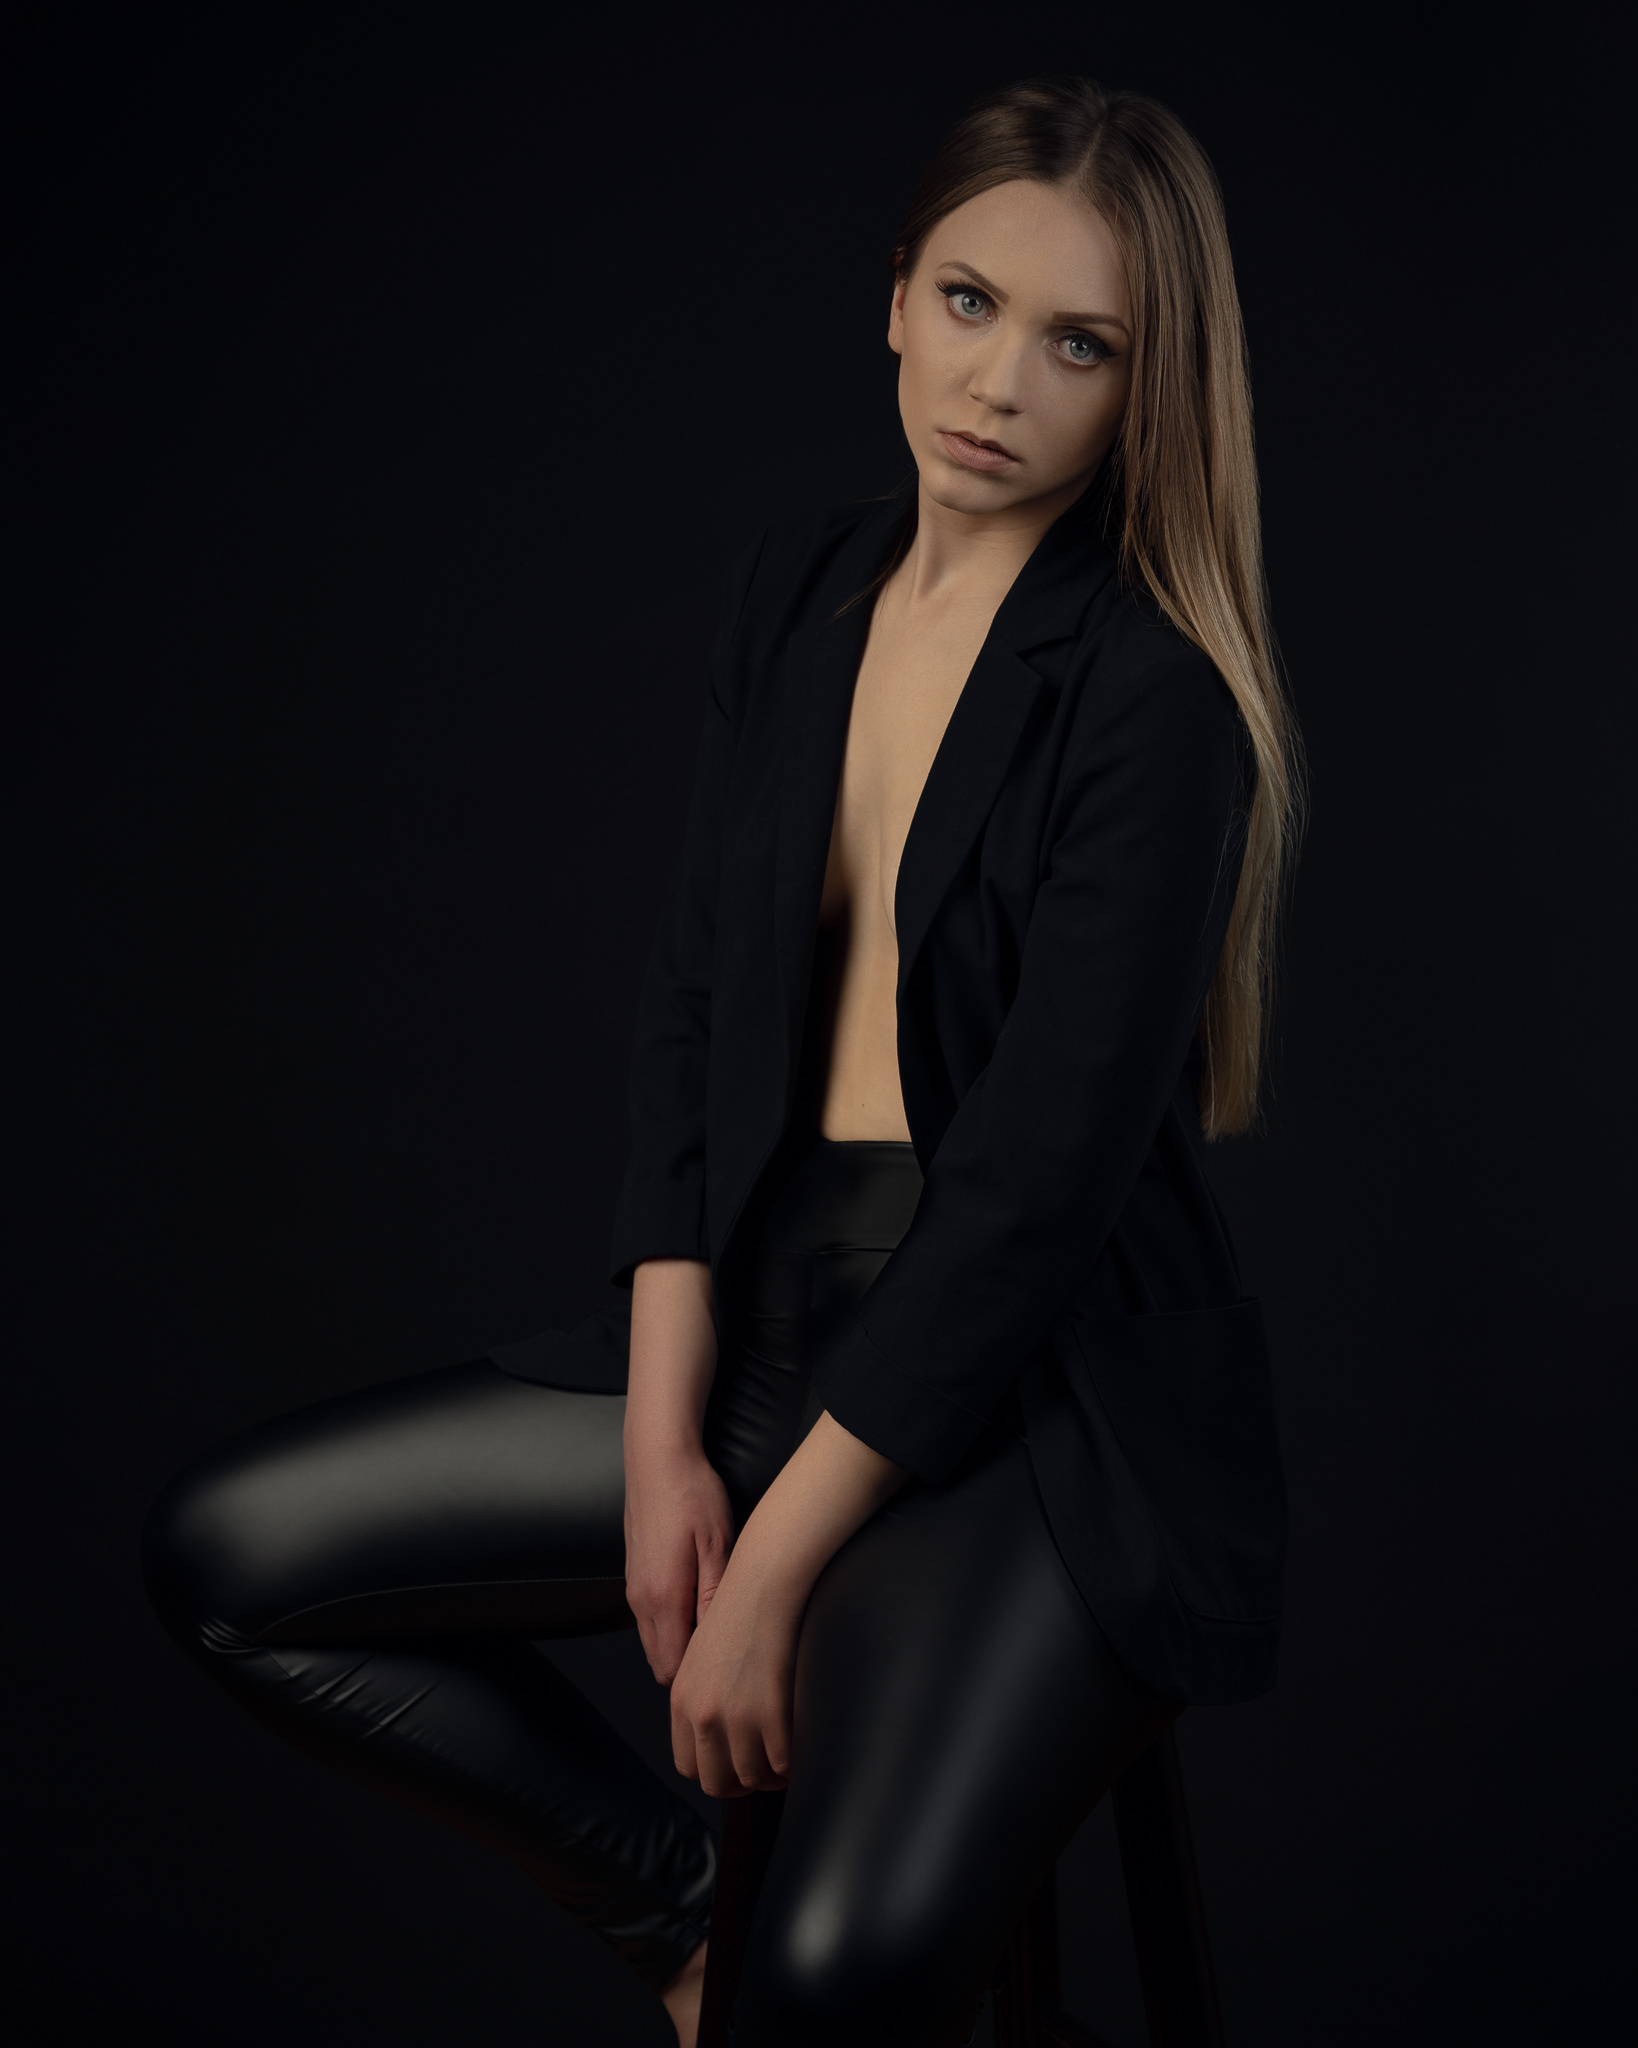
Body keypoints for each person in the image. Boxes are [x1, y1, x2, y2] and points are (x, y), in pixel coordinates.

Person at [143, 76, 1301, 2048]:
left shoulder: (1153, 704)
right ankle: (687, 1915)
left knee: (841, 1972)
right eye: (969, 302)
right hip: (760, 1308)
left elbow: (1028, 1205)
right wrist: (666, 1436)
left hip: (1030, 1398)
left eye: (1078, 343)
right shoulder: (797, 590)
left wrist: (767, 1570)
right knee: (235, 1558)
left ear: (1147, 388)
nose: (996, 381)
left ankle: (765, 1971)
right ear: (895, 295)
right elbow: (693, 1010)